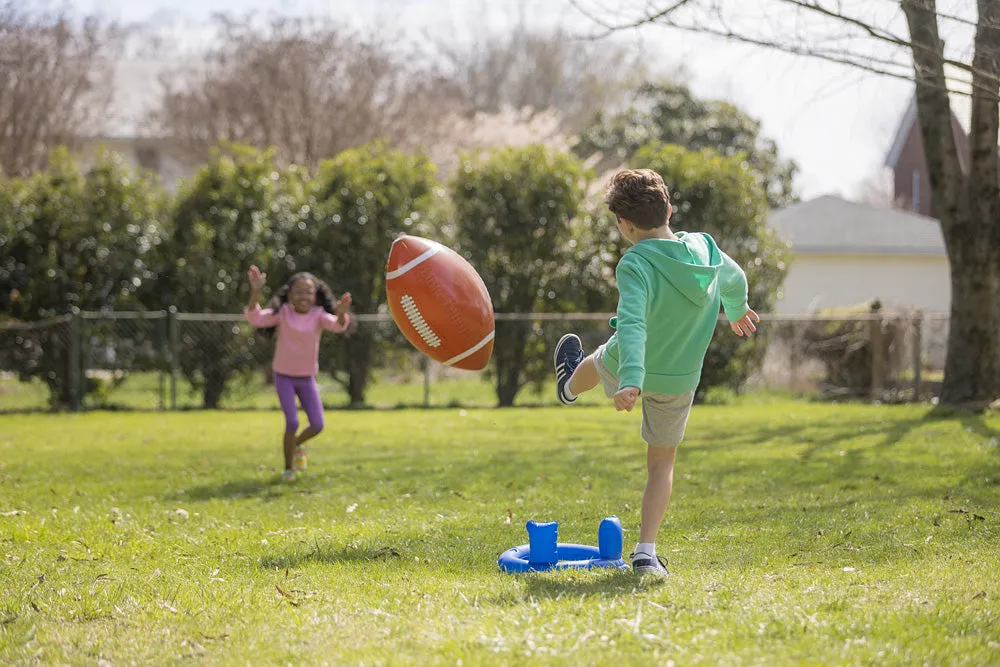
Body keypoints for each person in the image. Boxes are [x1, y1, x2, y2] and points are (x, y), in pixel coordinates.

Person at [553, 169, 759, 577]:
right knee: (661, 464)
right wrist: (736, 310)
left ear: (625, 225)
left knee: (600, 359)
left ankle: (569, 386)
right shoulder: (706, 249)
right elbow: (735, 279)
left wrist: (631, 380)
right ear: (669, 208)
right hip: (679, 377)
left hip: (637, 362)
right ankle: (646, 553)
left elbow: (632, 325)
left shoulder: (635, 264)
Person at [244, 265, 352, 481]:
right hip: (283, 376)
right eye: (299, 291)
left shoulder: (319, 315)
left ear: (316, 295)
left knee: (318, 425)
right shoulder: (283, 313)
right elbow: (255, 317)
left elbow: (338, 326)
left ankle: (297, 445)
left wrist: (340, 315)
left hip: (306, 378)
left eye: (309, 292)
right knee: (292, 422)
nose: (304, 296)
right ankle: (288, 468)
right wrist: (255, 291)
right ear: (289, 294)